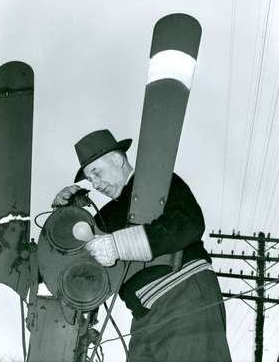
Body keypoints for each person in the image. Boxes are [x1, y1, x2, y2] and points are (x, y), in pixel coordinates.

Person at [52, 129, 232, 362]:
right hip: (144, 316)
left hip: (182, 294)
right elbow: (73, 259)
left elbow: (189, 224)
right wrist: (61, 216)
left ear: (117, 159)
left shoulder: (159, 181)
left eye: (96, 172)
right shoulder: (107, 215)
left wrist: (119, 245)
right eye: (90, 179)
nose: (95, 184)